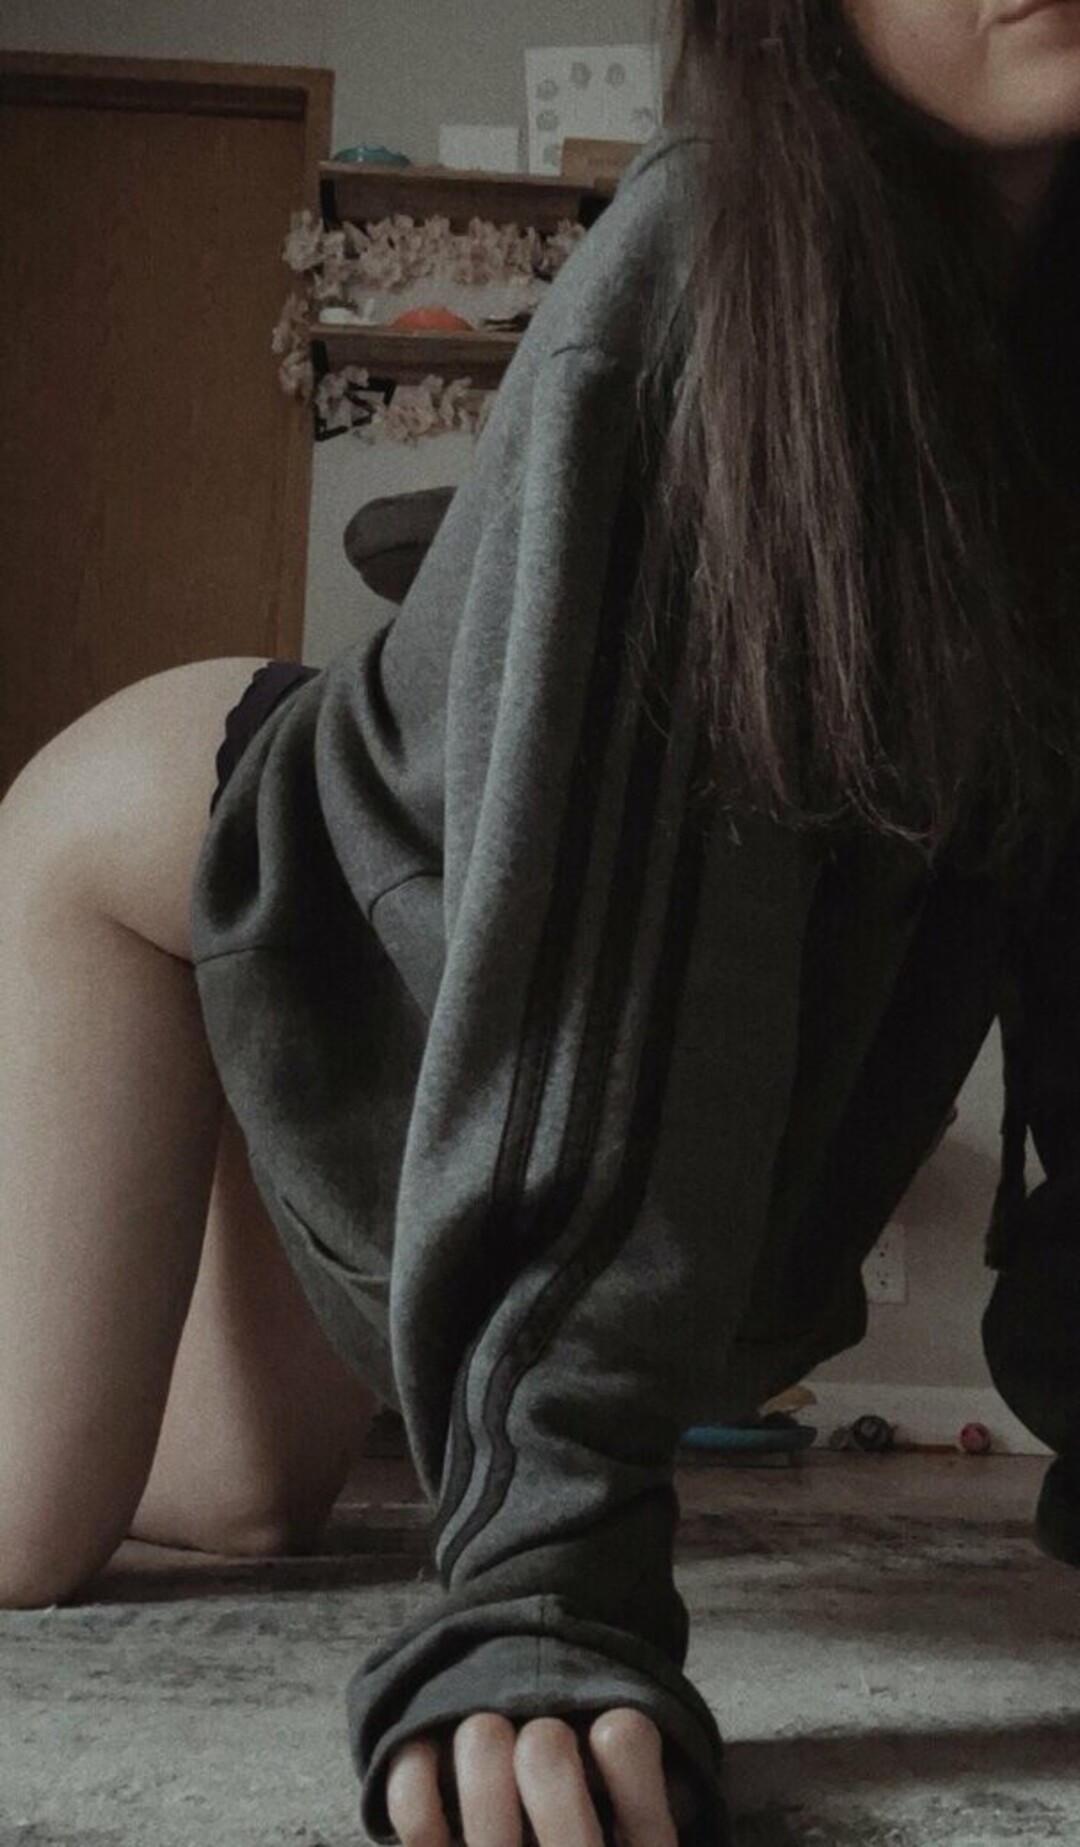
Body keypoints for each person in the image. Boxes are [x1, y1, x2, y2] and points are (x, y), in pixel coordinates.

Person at [1, 1, 1079, 1843]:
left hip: (434, 901)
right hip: (213, 856)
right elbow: (605, 970)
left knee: (251, 1510)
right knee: (28, 1534)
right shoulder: (711, 261)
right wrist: (544, 1583)